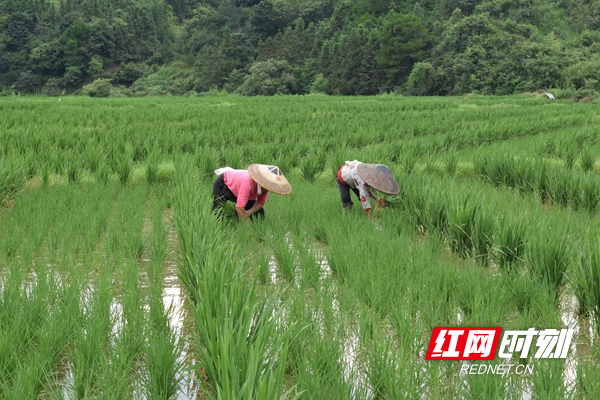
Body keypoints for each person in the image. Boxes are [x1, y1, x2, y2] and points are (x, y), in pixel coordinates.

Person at [213, 164, 292, 221]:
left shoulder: (266, 186)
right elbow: (240, 207)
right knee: (217, 213)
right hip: (224, 183)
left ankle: (244, 224)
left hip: (242, 190)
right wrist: (246, 226)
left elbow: (261, 202)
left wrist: (248, 212)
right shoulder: (248, 182)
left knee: (259, 214)